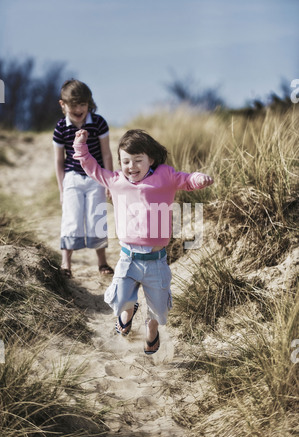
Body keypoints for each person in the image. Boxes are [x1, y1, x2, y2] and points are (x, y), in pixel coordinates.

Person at [73, 128, 213, 354]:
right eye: (126, 161)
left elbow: (185, 180)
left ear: (151, 159)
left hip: (156, 261)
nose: (131, 166)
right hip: (128, 258)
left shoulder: (164, 176)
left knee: (158, 308)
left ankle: (151, 330)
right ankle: (128, 312)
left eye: (138, 160)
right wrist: (80, 146)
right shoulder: (116, 180)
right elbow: (93, 169)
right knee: (120, 301)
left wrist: (199, 179)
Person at [53, 79, 114, 277]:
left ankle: (102, 262)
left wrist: (109, 182)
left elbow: (106, 155)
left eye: (82, 104)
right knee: (71, 219)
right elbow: (59, 161)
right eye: (73, 104)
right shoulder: (61, 127)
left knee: (96, 217)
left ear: (89, 103)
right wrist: (62, 189)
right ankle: (66, 264)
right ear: (63, 104)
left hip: (96, 177)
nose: (79, 109)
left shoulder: (98, 123)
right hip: (72, 178)